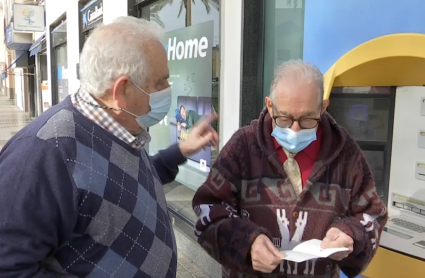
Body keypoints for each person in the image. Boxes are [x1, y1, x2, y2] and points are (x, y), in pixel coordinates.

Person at [0, 17, 218, 277]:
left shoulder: (123, 130)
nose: (168, 89)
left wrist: (180, 151)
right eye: (161, 81)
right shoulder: (44, 154)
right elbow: (9, 267)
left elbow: (123, 188)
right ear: (122, 90)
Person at [192, 60, 387, 278]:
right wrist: (246, 243)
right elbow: (209, 209)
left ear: (323, 107)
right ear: (269, 105)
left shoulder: (345, 154)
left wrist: (350, 233)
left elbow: (372, 215)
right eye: (284, 118)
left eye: (307, 120)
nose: (295, 129)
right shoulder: (242, 147)